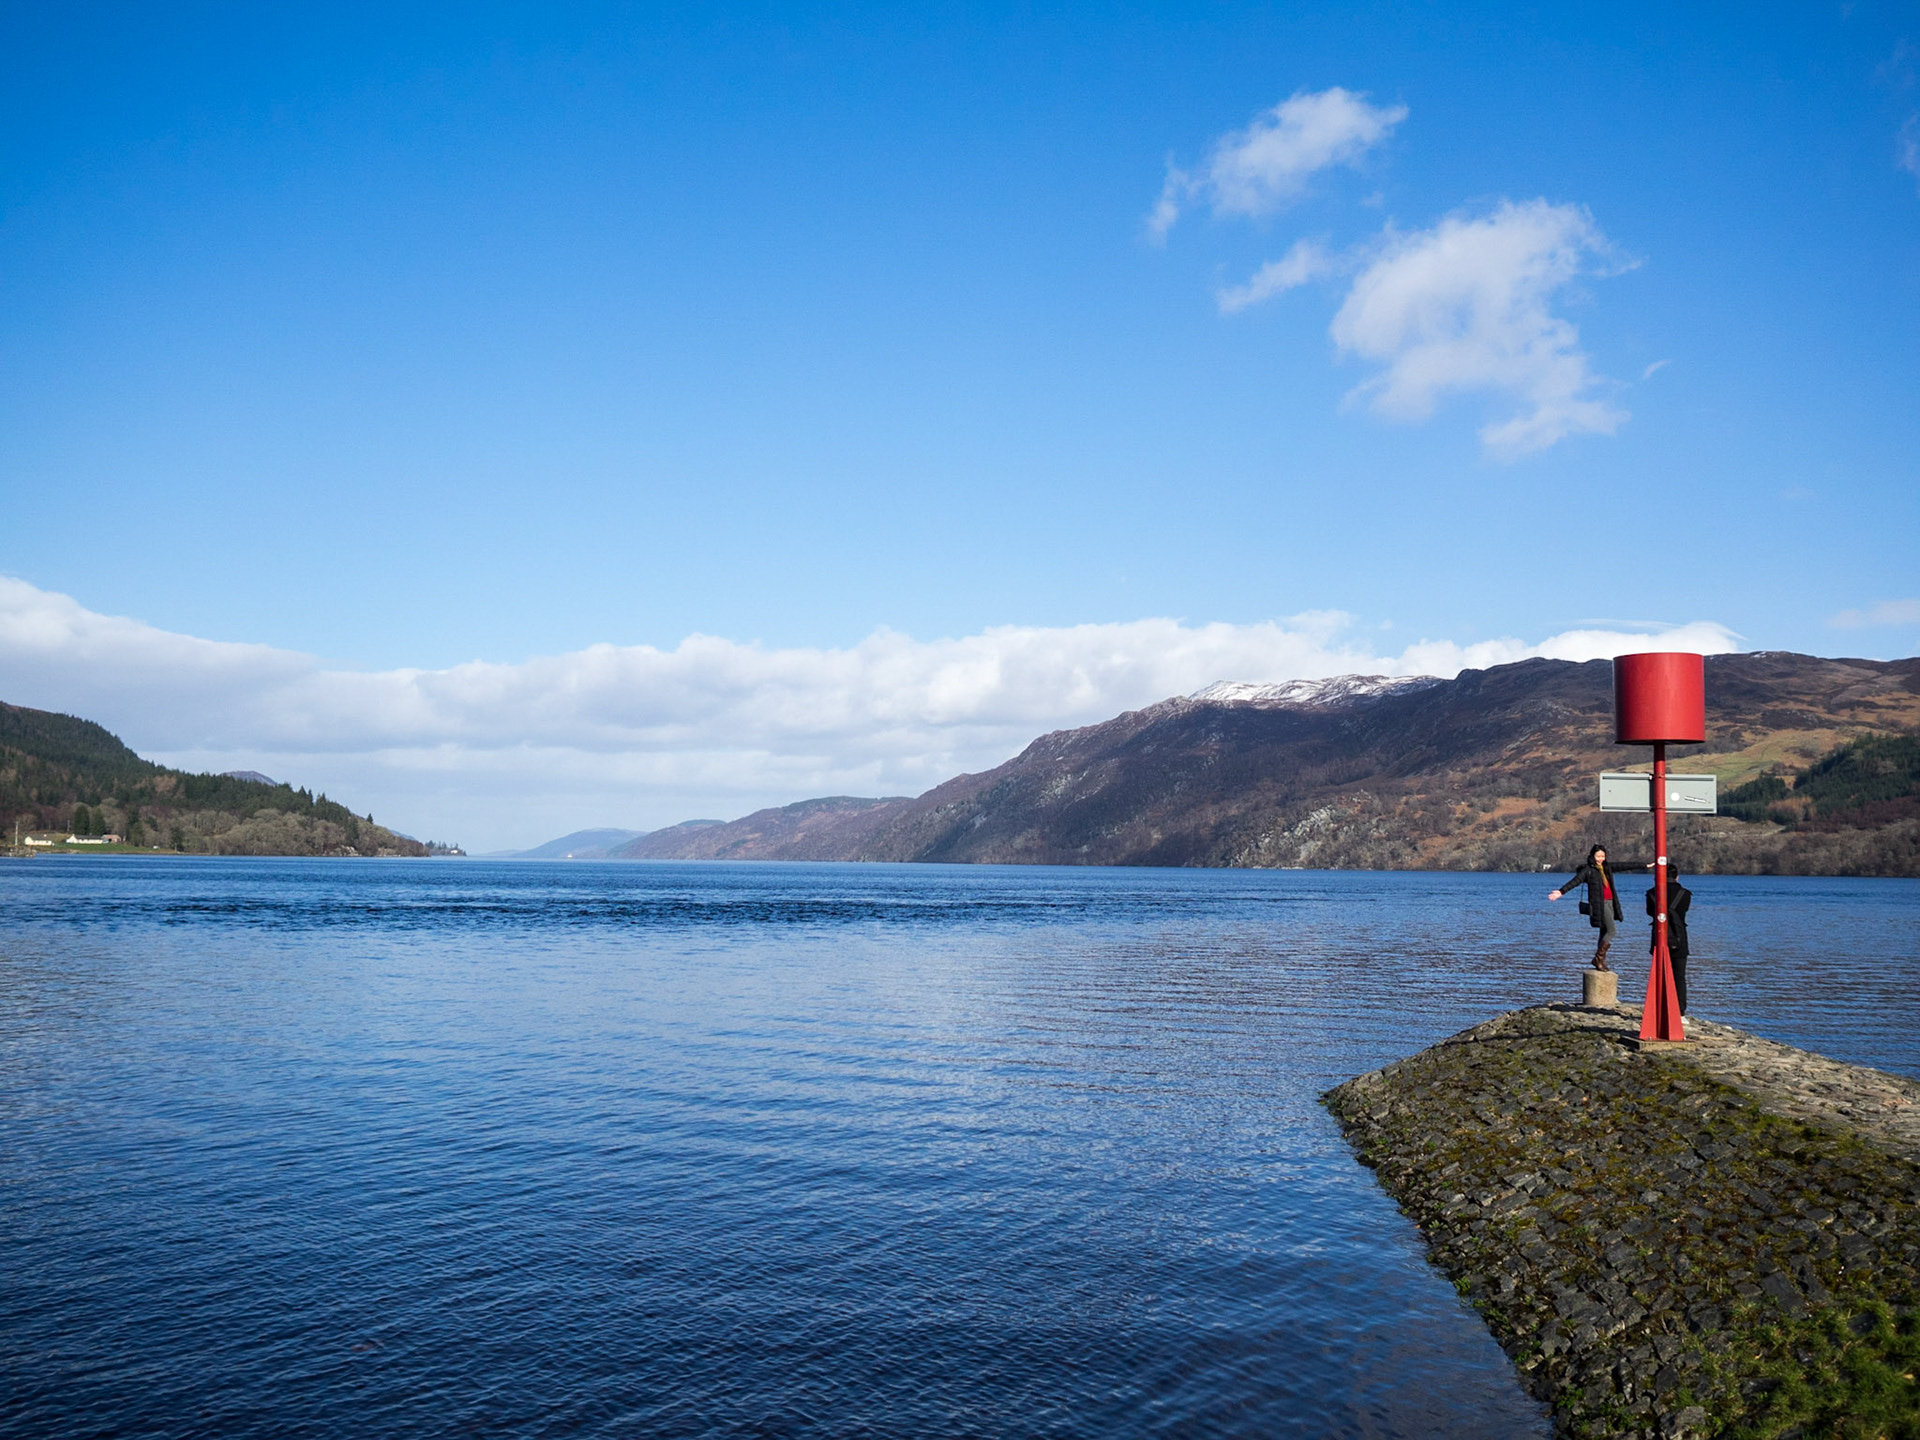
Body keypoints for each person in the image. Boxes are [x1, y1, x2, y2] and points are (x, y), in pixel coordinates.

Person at [1547, 845, 1649, 971]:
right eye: (1598, 856)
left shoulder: (1607, 867)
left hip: (1611, 902)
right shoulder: (1588, 870)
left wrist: (1644, 865)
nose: (1600, 859)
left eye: (1602, 856)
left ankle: (1601, 960)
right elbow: (1575, 881)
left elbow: (1625, 865)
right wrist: (1561, 892)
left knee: (1604, 931)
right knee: (1612, 931)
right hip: (1600, 905)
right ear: (1592, 856)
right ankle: (1598, 958)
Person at [1646, 862, 1693, 1013]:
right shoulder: (1685, 894)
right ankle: (1679, 1011)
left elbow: (1649, 912)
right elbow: (1684, 910)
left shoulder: (1652, 893)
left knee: (1660, 975)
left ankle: (1660, 1008)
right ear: (1677, 877)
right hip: (1679, 937)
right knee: (1679, 976)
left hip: (1659, 937)